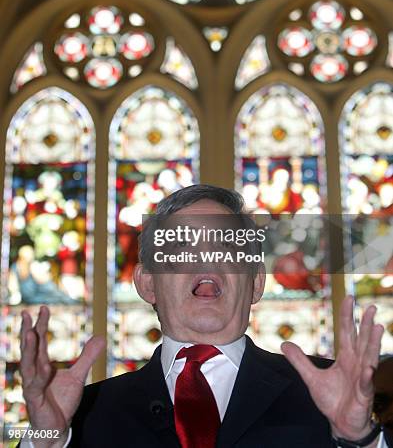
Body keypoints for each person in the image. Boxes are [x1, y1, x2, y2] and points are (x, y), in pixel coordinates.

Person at [19, 185, 392, 447]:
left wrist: (361, 439)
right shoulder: (83, 412)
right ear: (147, 284)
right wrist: (43, 440)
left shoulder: (330, 397)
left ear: (256, 283)